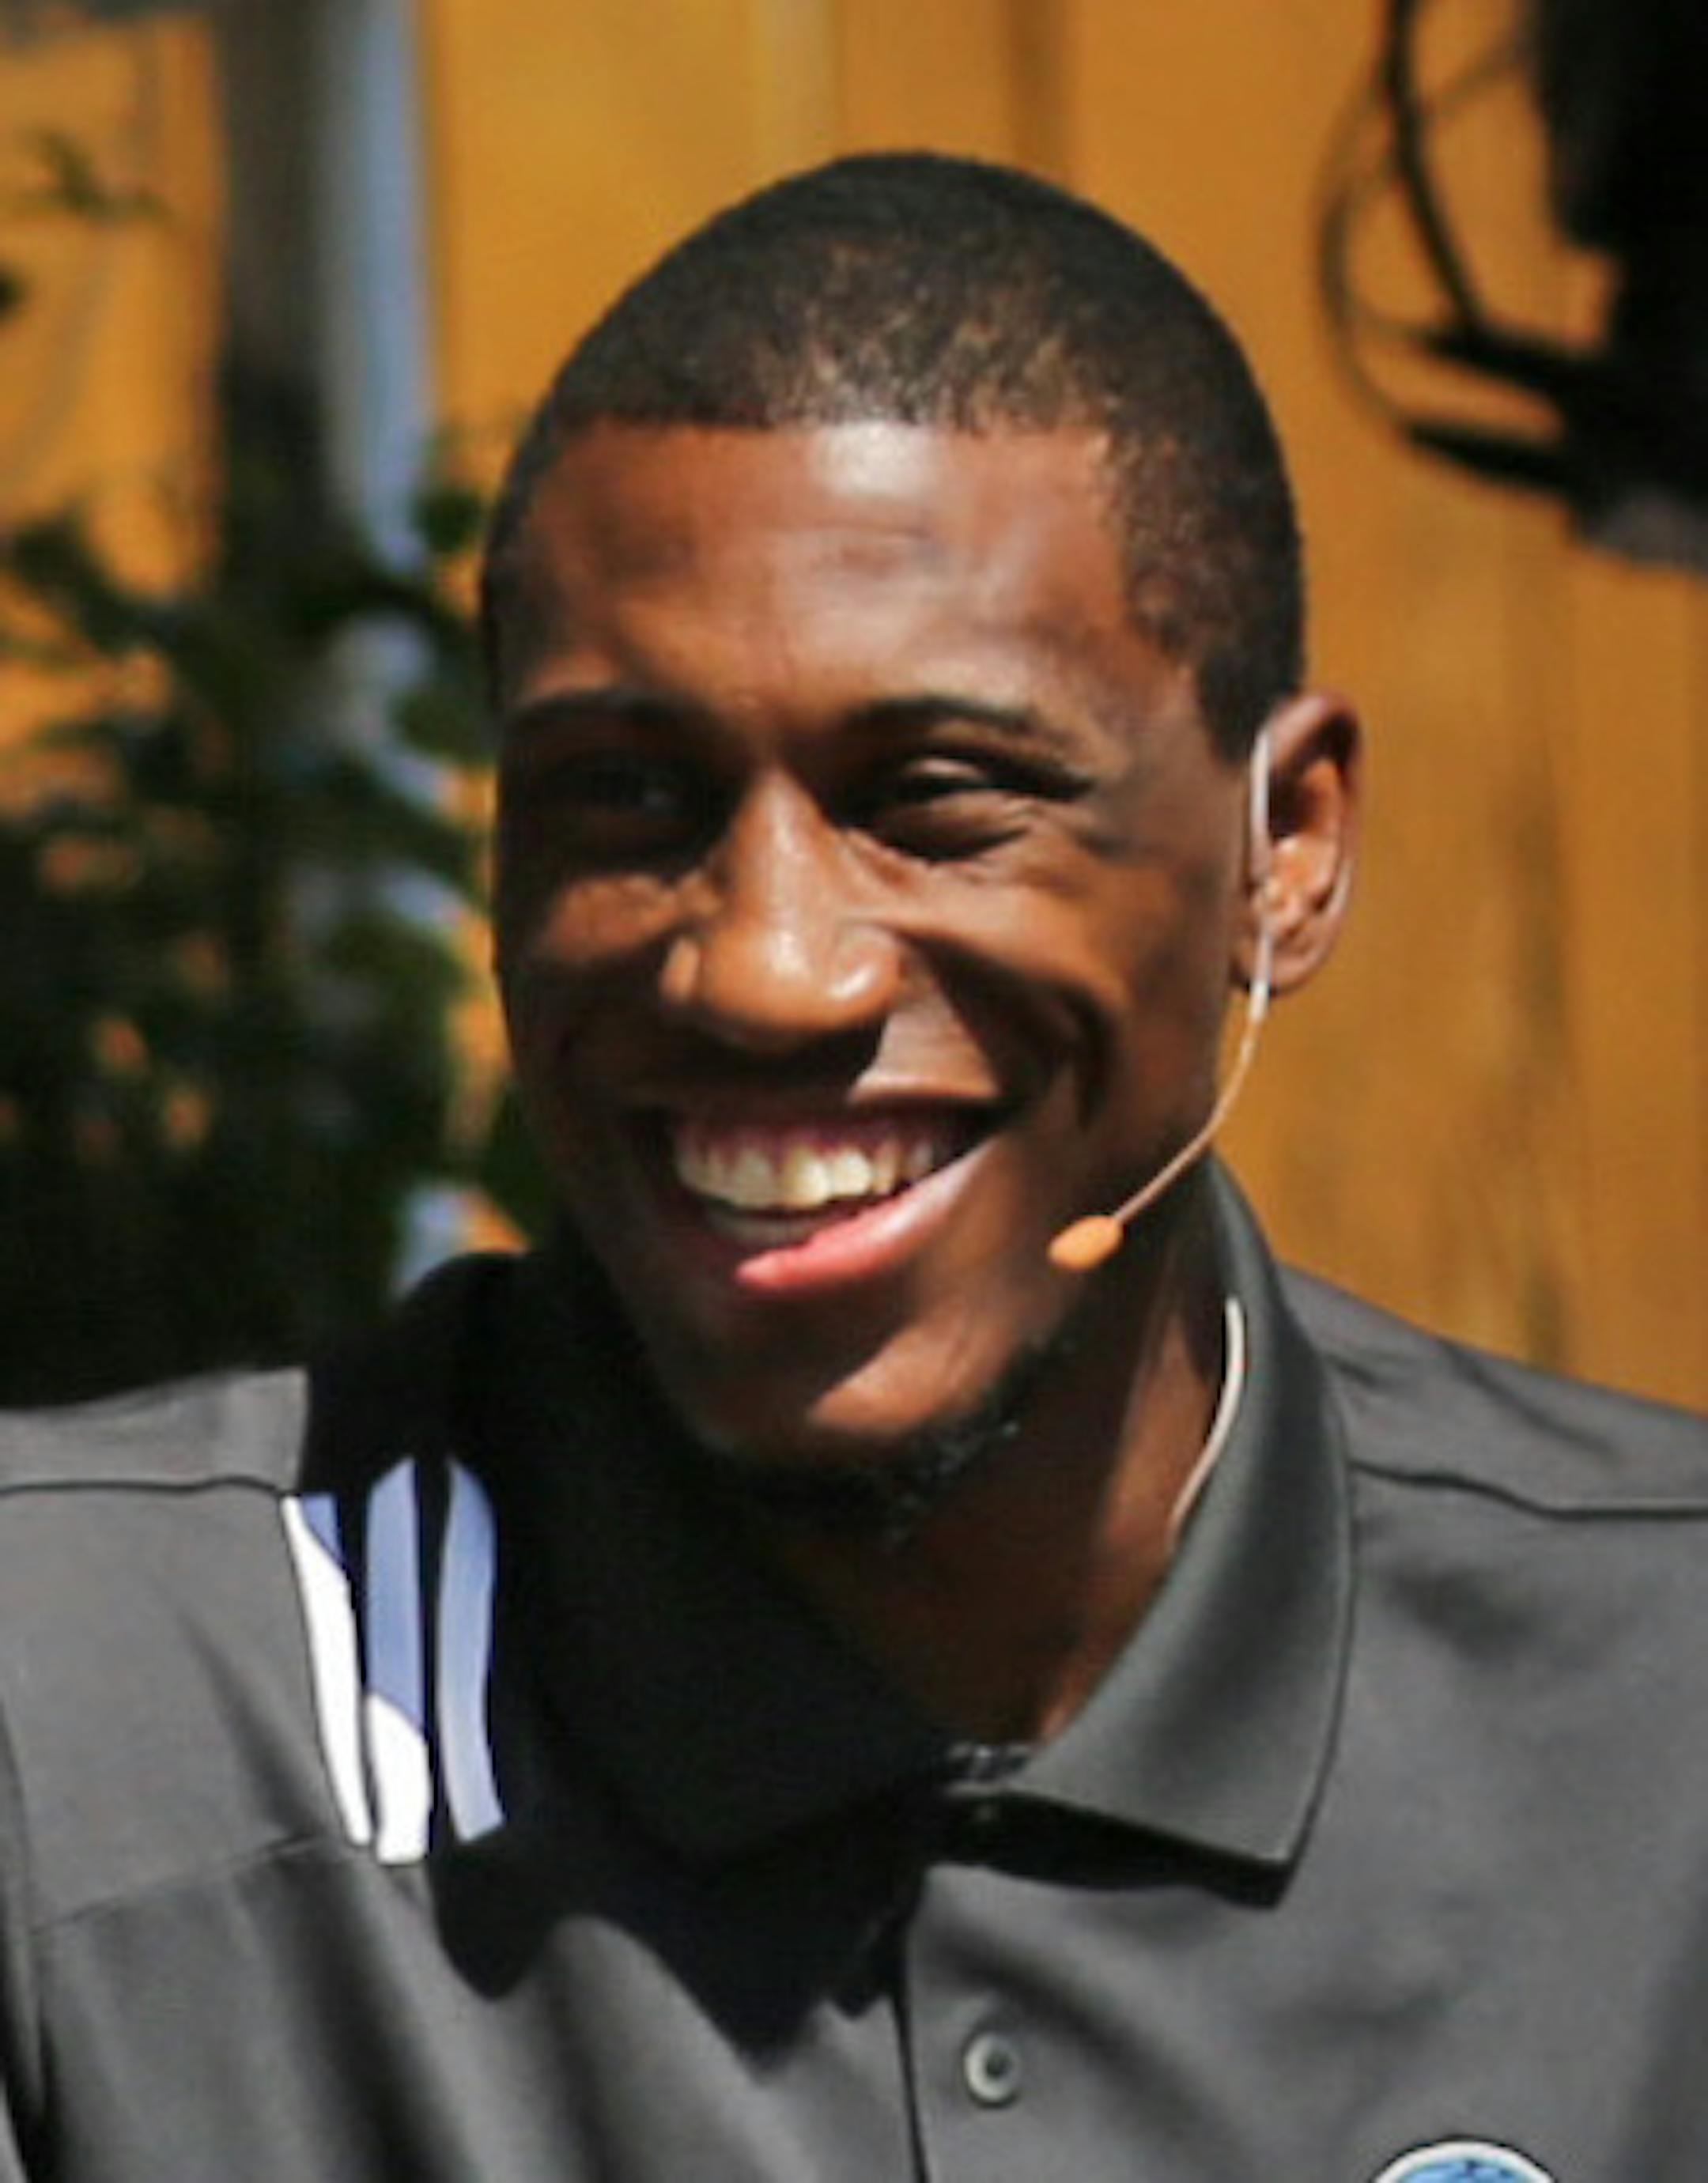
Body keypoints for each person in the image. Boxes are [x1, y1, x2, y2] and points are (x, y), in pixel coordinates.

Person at [0, 153, 1703, 2183]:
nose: (764, 965)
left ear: (1288, 849)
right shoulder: (84, 1735)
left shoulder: (1663, 1731)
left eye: (939, 800)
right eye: (623, 800)